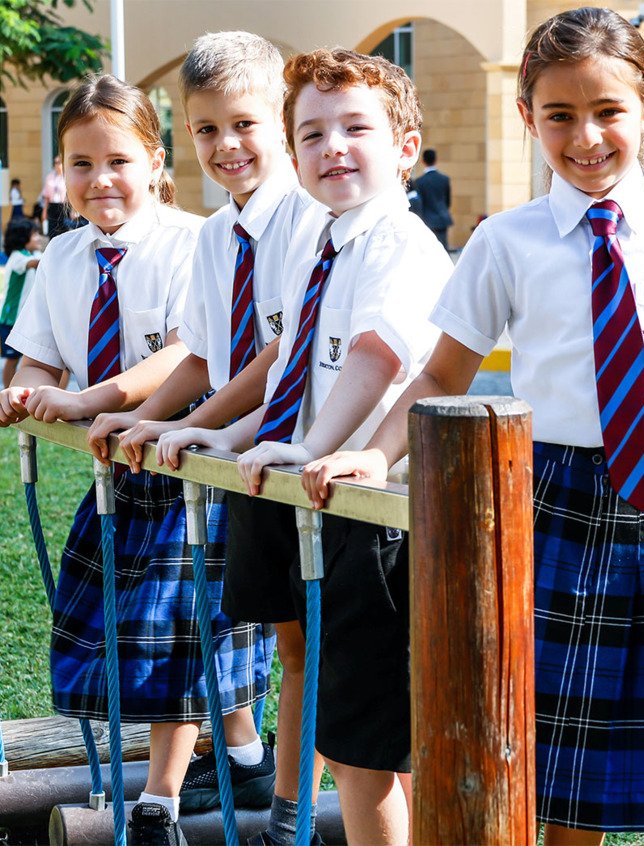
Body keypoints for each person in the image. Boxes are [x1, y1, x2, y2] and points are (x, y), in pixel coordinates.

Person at [300, 8, 644, 845]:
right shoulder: (507, 241)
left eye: (608, 111)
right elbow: (439, 373)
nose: (588, 136)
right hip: (544, 492)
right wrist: (369, 453)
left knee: (607, 752)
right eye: (560, 116)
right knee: (537, 725)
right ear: (528, 119)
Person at [155, 47, 453, 845]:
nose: (333, 148)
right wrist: (222, 430)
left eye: (356, 128)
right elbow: (288, 362)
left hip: (365, 508)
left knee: (368, 744)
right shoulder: (315, 241)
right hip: (299, 484)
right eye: (313, 134)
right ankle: (295, 819)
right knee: (320, 691)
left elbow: (375, 358)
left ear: (406, 149)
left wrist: (308, 443)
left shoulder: (401, 243)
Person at [86, 31, 321, 841]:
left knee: (314, 645)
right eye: (205, 129)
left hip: (312, 450)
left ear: (283, 120)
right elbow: (211, 356)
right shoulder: (221, 234)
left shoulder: (308, 217)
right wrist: (150, 418)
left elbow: (278, 354)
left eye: (244, 124)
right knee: (276, 643)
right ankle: (268, 794)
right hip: (250, 457)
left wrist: (187, 425)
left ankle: (295, 811)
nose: (225, 145)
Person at [0, 74, 239, 846]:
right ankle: (242, 751)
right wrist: (24, 395)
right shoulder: (61, 258)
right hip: (117, 478)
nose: (100, 179)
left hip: (187, 470)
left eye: (118, 161)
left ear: (155, 162)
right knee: (116, 632)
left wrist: (91, 399)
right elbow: (36, 362)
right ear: (60, 172)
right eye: (80, 163)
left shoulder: (194, 242)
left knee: (173, 636)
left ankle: (161, 800)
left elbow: (183, 357)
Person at [0, 218, 42, 387]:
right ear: (23, 238)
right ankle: (6, 393)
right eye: (35, 234)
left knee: (22, 358)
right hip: (11, 319)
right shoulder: (18, 257)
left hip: (23, 319)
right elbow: (35, 264)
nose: (38, 238)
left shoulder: (30, 254)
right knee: (12, 359)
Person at [414, 147, 452, 250]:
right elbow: (448, 201)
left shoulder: (419, 181)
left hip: (426, 220)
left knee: (428, 251)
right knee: (443, 249)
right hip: (442, 218)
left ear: (423, 161)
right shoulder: (444, 179)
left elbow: (419, 203)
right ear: (436, 160)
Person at [42, 154, 67, 238]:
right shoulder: (50, 176)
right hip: (52, 205)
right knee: (52, 229)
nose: (57, 164)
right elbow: (46, 195)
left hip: (63, 205)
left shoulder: (67, 176)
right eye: (55, 162)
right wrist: (44, 211)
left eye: (59, 162)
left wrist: (73, 210)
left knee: (63, 230)